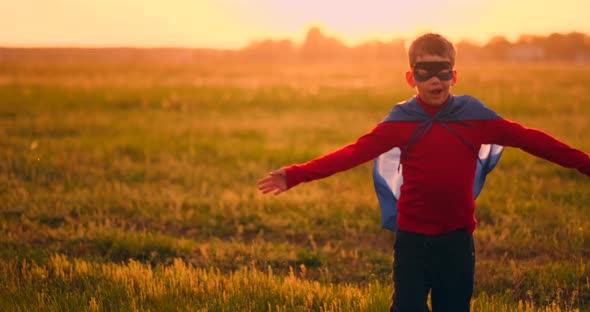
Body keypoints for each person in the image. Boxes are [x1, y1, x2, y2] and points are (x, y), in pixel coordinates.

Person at [257, 33, 590, 311]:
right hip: (413, 241)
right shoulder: (400, 121)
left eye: (442, 72)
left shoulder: (473, 116)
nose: (434, 80)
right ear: (410, 77)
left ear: (454, 76)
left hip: (458, 241)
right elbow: (352, 154)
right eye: (425, 72)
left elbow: (529, 138)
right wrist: (295, 174)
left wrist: (584, 163)